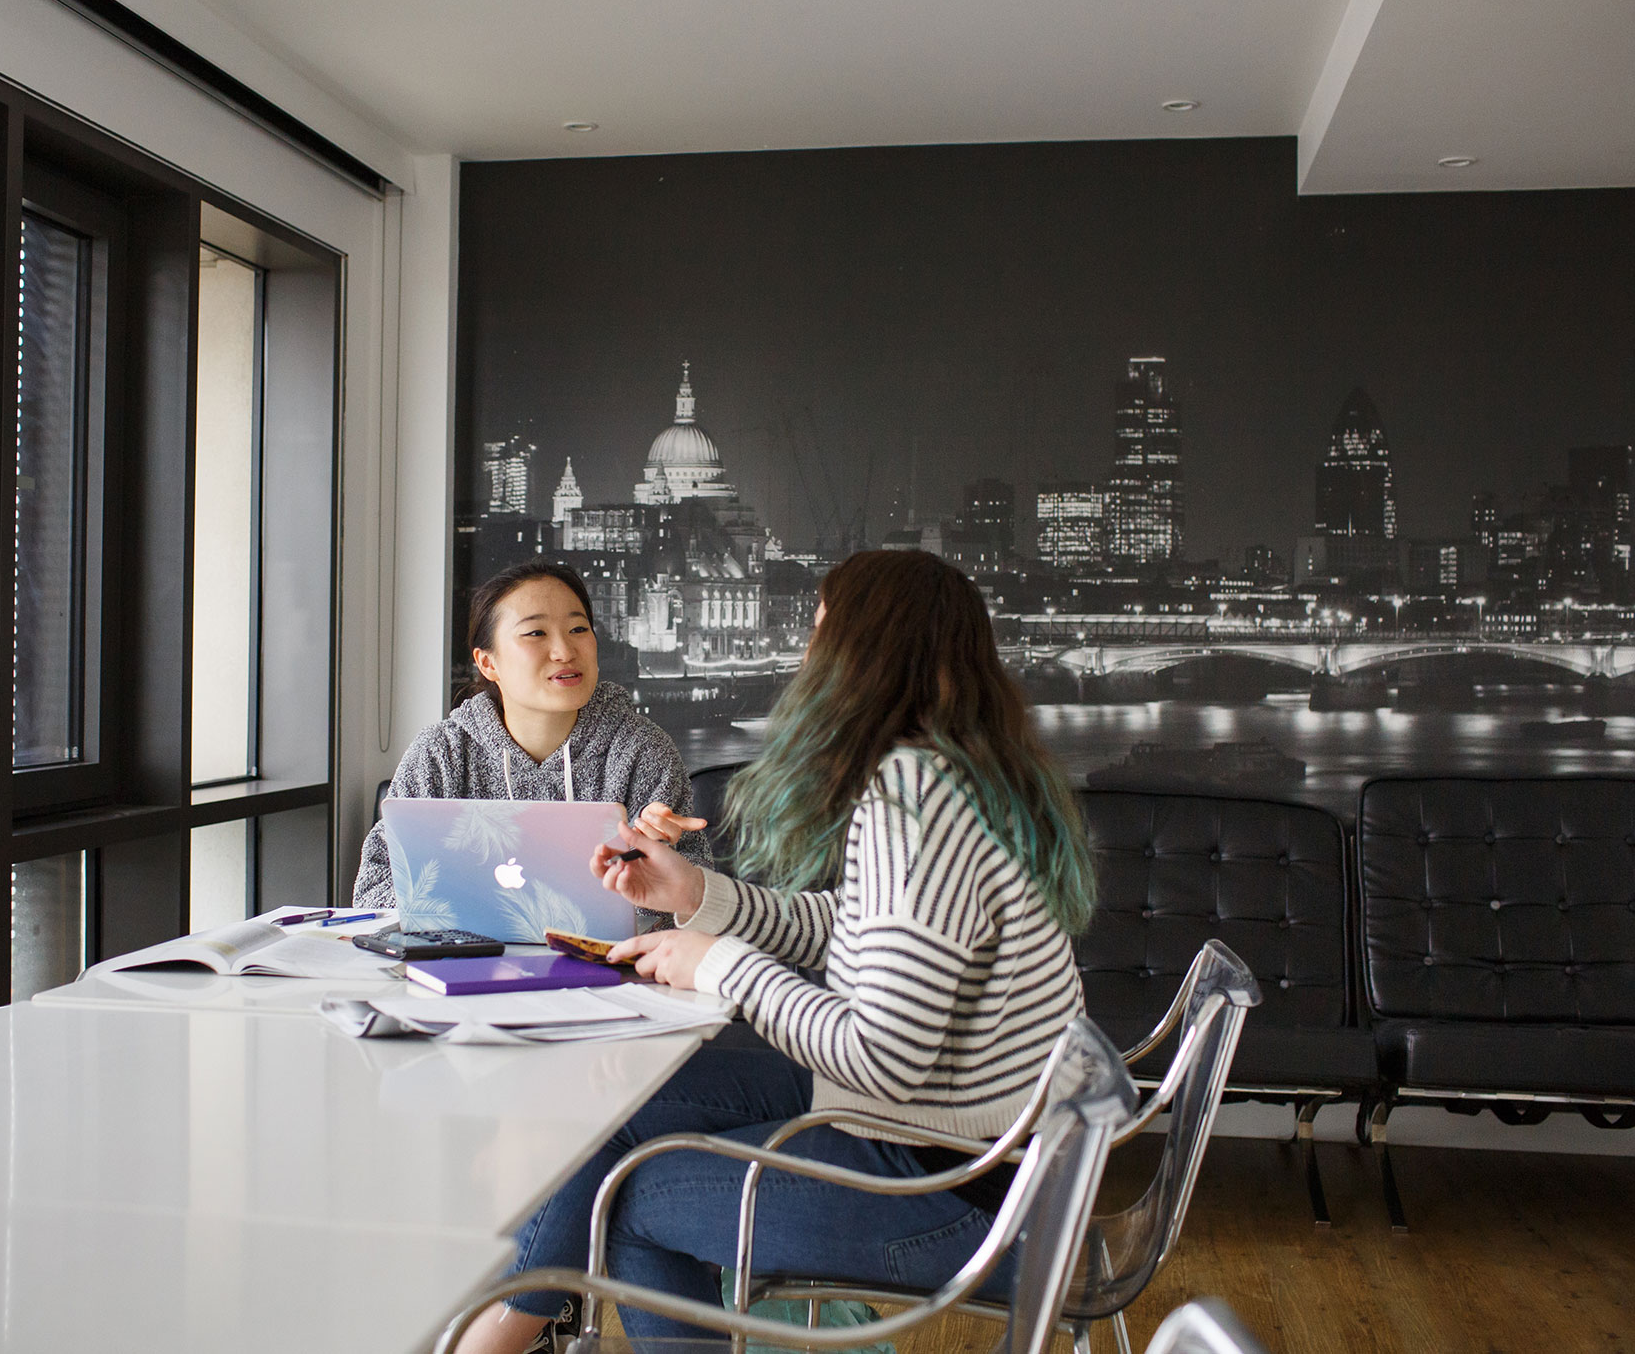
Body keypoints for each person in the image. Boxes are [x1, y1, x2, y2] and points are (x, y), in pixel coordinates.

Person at [454, 550, 1096, 1353]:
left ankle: (490, 1336)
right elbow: (855, 926)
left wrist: (715, 963)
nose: (803, 655)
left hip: (956, 1190)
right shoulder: (962, 774)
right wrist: (694, 896)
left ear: (866, 651)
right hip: (981, 1151)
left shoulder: (915, 802)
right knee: (615, 1102)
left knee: (627, 1200)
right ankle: (500, 1332)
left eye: (820, 631)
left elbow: (884, 1057)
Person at [354, 559, 709, 908]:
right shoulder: (442, 754)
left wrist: (653, 867)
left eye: (578, 629)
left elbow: (696, 910)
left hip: (607, 964)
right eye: (536, 633)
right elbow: (374, 891)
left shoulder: (641, 751)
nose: (565, 651)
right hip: (462, 961)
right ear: (488, 663)